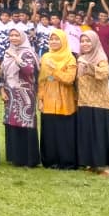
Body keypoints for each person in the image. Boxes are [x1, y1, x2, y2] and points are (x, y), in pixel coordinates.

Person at [75, 28, 109, 175]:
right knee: (88, 133)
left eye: (88, 41)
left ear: (94, 42)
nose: (85, 44)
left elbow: (104, 74)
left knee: (101, 133)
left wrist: (89, 68)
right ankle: (91, 163)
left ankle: (107, 165)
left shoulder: (100, 57)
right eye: (82, 41)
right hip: (84, 100)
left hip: (100, 102)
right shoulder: (81, 57)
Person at [38, 28, 78, 170]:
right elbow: (43, 80)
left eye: (57, 39)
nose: (54, 42)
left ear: (63, 41)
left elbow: (69, 79)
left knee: (64, 133)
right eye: (51, 39)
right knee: (49, 132)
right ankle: (50, 161)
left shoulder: (70, 58)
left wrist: (54, 70)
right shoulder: (45, 57)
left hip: (64, 101)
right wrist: (40, 99)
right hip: (48, 99)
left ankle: (66, 162)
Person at [1, 28, 39, 168]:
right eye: (11, 35)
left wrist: (16, 58)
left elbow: (29, 70)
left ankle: (29, 159)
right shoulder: (8, 52)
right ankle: (16, 158)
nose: (14, 38)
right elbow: (2, 72)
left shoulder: (28, 52)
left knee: (25, 125)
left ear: (22, 37)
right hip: (10, 93)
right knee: (13, 124)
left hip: (25, 94)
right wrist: (2, 88)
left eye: (17, 35)